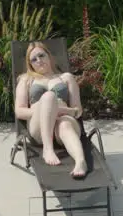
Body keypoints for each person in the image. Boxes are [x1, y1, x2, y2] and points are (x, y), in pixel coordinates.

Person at [14, 41, 89, 178]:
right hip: (39, 128)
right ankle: (48, 149)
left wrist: (59, 111)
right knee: (49, 97)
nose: (39, 61)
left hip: (64, 120)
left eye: (41, 55)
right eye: (34, 60)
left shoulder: (66, 78)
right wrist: (46, 110)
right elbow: (19, 111)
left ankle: (80, 161)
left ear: (49, 56)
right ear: (30, 64)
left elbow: (78, 110)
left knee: (65, 124)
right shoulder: (26, 80)